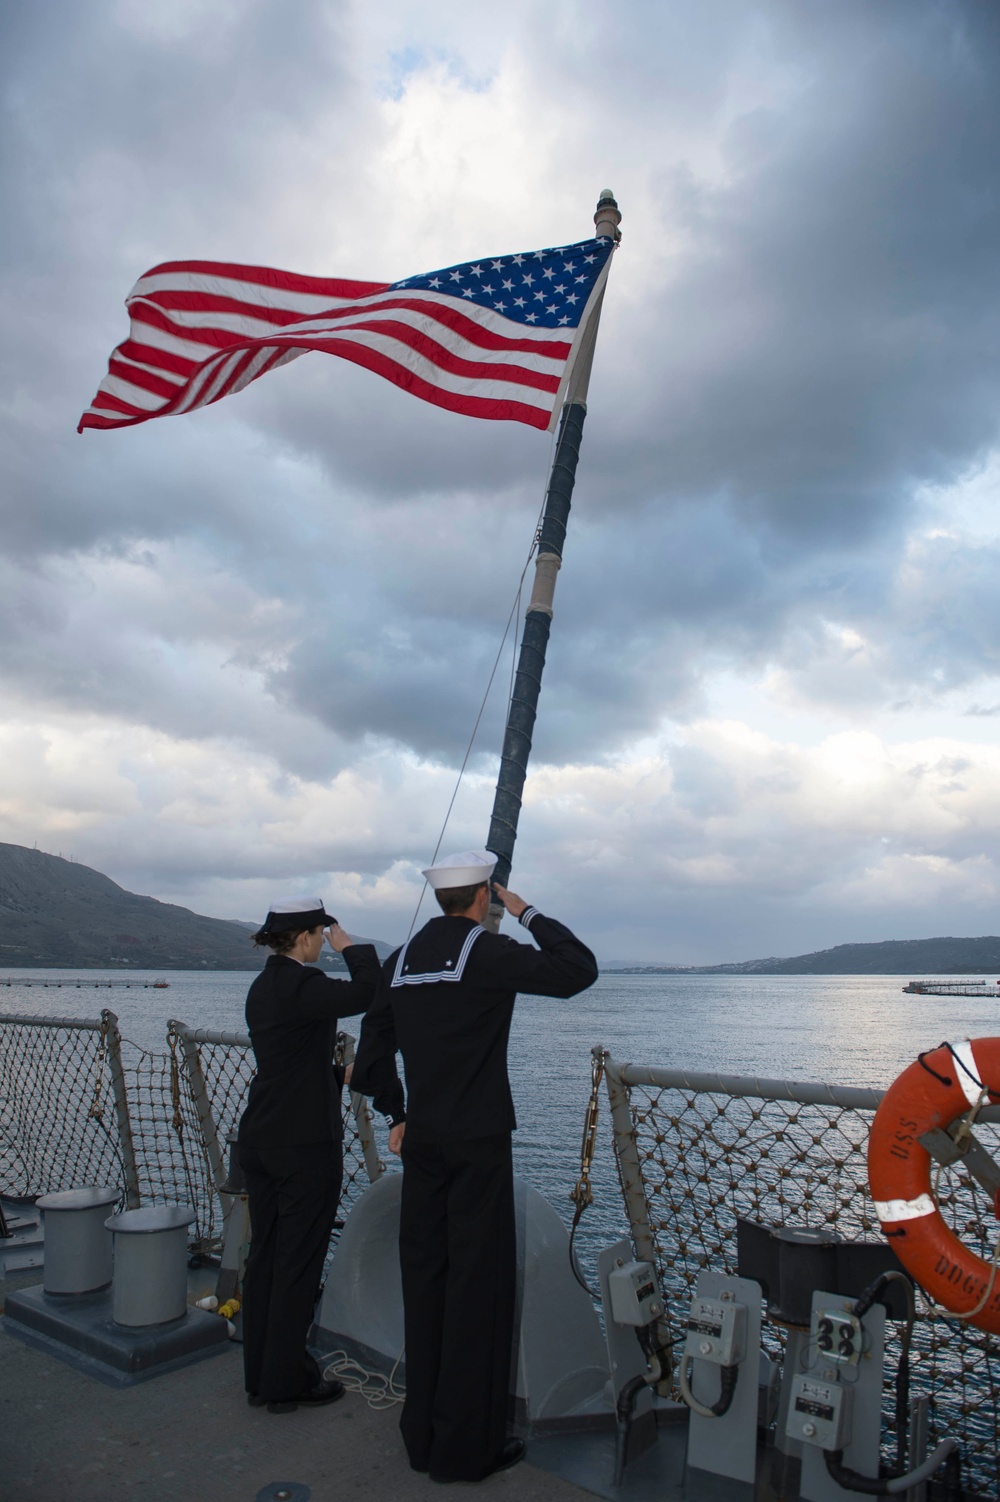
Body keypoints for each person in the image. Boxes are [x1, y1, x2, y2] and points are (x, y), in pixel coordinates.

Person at [351, 850, 598, 1483]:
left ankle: (423, 1432)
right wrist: (525, 908)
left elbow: (374, 1052)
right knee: (477, 1289)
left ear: (439, 898)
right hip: (477, 1141)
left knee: (427, 1279)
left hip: (425, 1141)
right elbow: (577, 971)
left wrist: (397, 1111)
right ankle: (466, 1449)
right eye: (493, 896)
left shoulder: (400, 961)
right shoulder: (483, 953)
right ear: (483, 895)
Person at [237, 896, 382, 1414]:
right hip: (302, 1144)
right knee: (298, 1262)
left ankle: (261, 1375)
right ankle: (287, 1381)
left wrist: (332, 1074)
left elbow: (286, 1057)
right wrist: (353, 945)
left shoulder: (263, 987)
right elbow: (369, 991)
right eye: (321, 935)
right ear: (304, 937)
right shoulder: (305, 983)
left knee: (266, 1257)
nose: (325, 942)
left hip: (260, 1135)